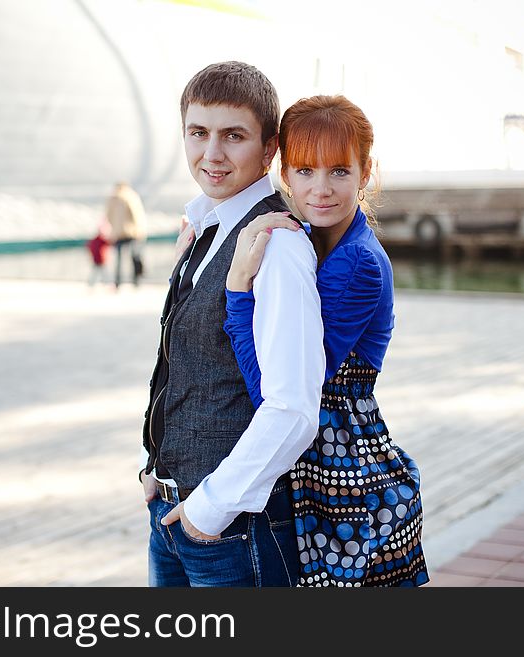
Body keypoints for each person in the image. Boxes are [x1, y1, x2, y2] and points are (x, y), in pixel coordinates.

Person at [222, 95, 429, 587]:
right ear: (284, 173)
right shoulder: (318, 240)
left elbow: (278, 392)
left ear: (366, 171)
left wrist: (237, 297)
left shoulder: (355, 263)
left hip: (348, 489)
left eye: (339, 170)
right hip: (327, 475)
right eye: (305, 170)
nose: (320, 189)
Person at [140, 61, 325, 587]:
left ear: (269, 149)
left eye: (233, 136)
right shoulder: (204, 223)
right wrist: (150, 466)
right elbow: (179, 363)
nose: (212, 153)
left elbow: (292, 406)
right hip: (172, 513)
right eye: (198, 133)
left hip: (231, 531)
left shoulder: (278, 245)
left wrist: (209, 511)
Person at [105, 182, 147, 288]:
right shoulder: (131, 196)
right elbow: (136, 215)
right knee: (134, 256)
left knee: (118, 259)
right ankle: (136, 281)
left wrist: (113, 228)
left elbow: (108, 216)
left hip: (118, 233)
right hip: (131, 232)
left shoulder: (112, 199)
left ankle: (117, 282)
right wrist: (140, 230)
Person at [86, 220, 111, 287]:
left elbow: (109, 243)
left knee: (104, 274)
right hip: (97, 260)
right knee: (96, 274)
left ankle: (107, 284)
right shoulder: (96, 240)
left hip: (101, 260)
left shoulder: (100, 240)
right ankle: (91, 284)